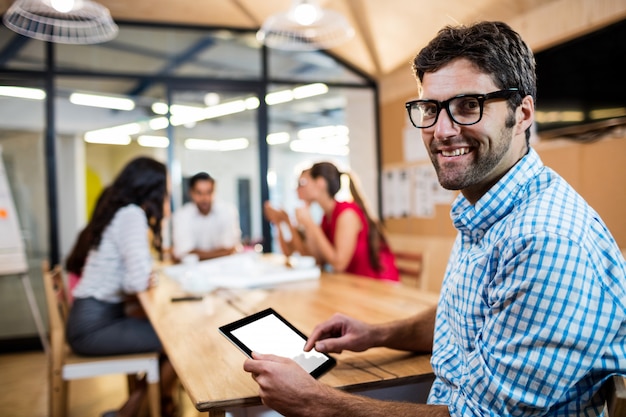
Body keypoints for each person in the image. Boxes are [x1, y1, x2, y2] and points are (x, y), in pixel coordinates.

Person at [242, 21, 626, 416]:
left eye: (468, 106)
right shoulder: (487, 207)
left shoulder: (546, 241)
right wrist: (377, 334)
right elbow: (464, 321)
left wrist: (313, 402)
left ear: (523, 113)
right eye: (430, 108)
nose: (442, 130)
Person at [66, 157, 178, 417]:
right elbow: (138, 280)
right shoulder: (131, 215)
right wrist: (147, 276)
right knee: (178, 342)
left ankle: (130, 411)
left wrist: (145, 275)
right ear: (153, 188)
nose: (167, 197)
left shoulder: (120, 213)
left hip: (93, 319)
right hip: (93, 328)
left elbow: (134, 278)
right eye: (166, 190)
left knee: (170, 336)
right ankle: (153, 405)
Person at [290, 161, 399, 281]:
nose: (297, 189)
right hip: (354, 284)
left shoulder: (346, 213)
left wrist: (311, 224)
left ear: (320, 183)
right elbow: (317, 259)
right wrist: (307, 225)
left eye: (303, 183)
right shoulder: (326, 217)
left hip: (379, 285)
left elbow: (339, 265)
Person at [171, 172, 241, 262]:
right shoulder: (181, 215)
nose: (205, 198)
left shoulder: (228, 211)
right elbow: (183, 252)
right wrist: (222, 253)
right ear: (191, 193)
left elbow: (231, 248)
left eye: (209, 192)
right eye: (199, 193)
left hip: (224, 268)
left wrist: (194, 255)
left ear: (214, 192)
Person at [263, 169, 310, 257]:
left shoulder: (314, 214)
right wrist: (278, 221)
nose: (296, 189)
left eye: (302, 183)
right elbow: (288, 251)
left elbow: (305, 253)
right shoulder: (300, 212)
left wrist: (286, 220)